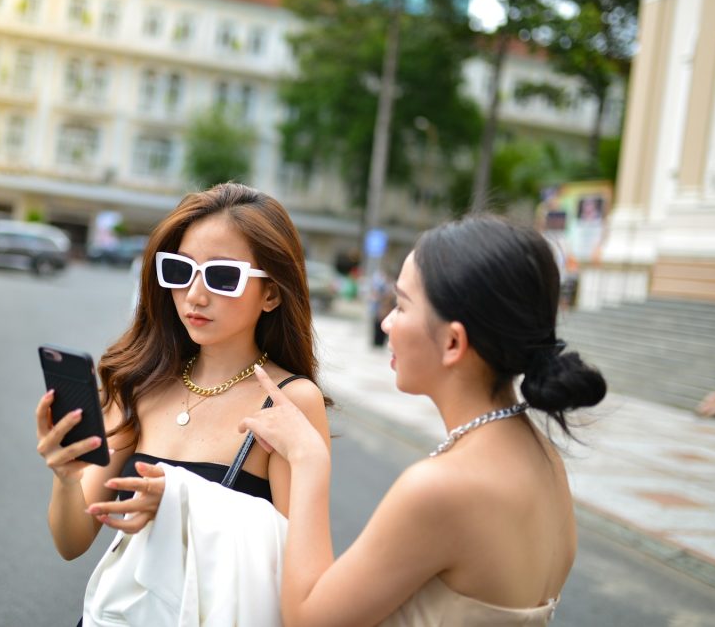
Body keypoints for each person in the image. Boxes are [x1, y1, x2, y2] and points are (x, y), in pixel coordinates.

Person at [240, 215, 607, 626]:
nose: (386, 322)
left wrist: (307, 457)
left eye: (401, 305)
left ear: (452, 342)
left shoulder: (439, 488)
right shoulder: (542, 456)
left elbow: (308, 619)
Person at [35, 183, 330, 621]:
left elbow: (300, 574)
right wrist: (64, 477)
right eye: (179, 270)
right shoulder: (142, 383)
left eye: (222, 277)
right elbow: (72, 542)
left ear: (271, 293)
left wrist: (181, 504)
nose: (194, 295)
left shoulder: (289, 401)